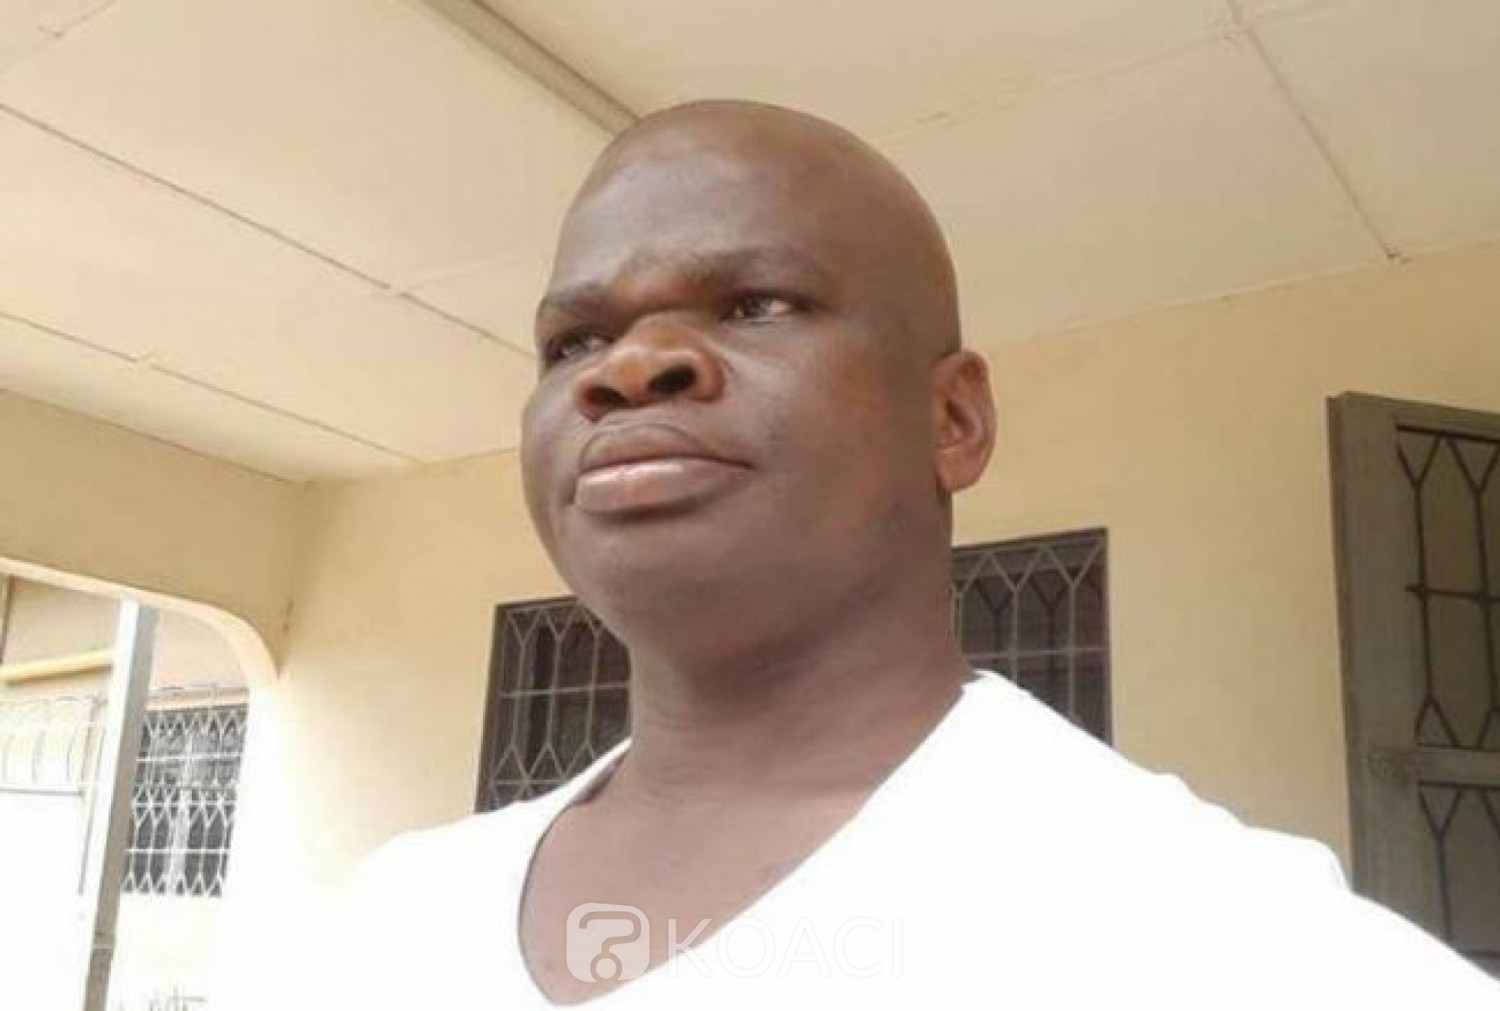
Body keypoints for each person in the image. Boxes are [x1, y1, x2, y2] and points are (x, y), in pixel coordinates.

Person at [256, 101, 1498, 1008]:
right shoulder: (378, 923)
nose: (631, 368)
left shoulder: (1211, 941)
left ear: (952, 420)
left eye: (756, 304)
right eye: (575, 340)